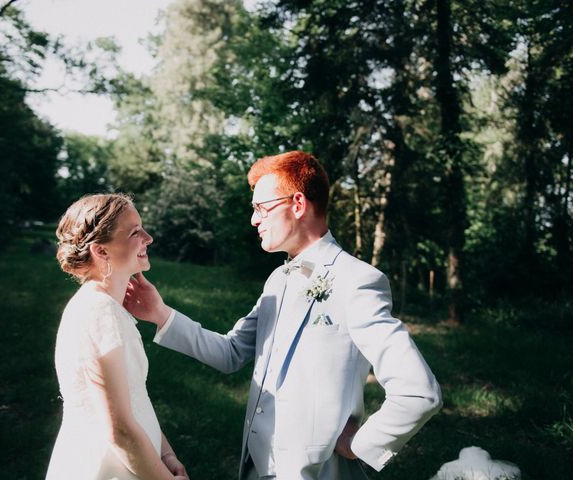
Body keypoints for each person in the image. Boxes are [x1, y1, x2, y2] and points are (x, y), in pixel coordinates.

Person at [124, 151, 442, 479]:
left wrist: (362, 444)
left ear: (298, 204)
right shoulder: (277, 280)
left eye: (261, 208)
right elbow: (231, 353)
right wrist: (159, 314)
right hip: (255, 468)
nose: (254, 219)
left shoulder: (357, 281)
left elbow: (418, 392)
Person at [47, 193, 188, 480]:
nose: (148, 238)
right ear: (101, 251)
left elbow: (135, 398)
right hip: (108, 467)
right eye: (135, 232)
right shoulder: (100, 313)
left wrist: (166, 454)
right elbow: (119, 429)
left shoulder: (107, 306)